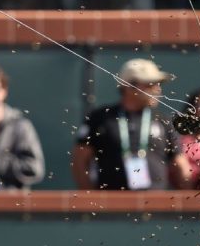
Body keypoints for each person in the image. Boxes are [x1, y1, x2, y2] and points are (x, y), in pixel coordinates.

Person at [72, 58, 191, 190]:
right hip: (111, 205)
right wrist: (91, 199)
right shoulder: (101, 118)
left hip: (156, 205)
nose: (157, 89)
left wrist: (187, 201)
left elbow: (181, 165)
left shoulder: (164, 120)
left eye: (159, 84)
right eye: (150, 84)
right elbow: (79, 161)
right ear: (129, 86)